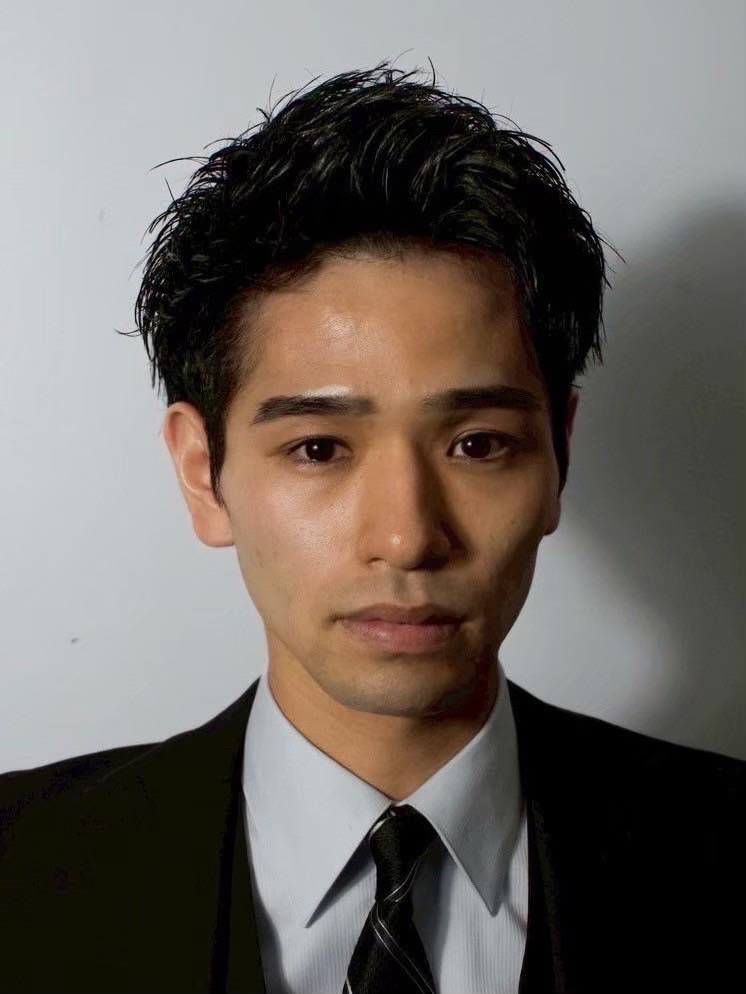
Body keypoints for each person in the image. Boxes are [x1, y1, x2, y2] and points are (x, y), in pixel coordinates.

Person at [1, 60, 743, 994]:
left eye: (478, 444)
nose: (407, 537)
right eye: (318, 449)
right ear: (202, 474)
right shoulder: (24, 871)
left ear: (559, 454)